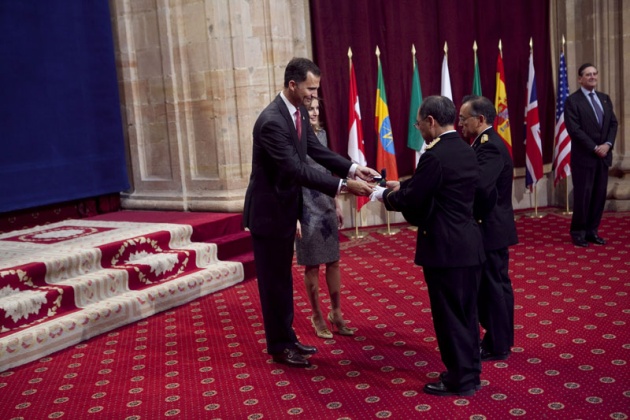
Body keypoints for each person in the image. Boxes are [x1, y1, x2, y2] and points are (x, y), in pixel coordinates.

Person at [243, 57, 378, 368]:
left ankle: (287, 339)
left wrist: (354, 167)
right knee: (274, 283)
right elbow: (295, 169)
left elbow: (315, 151)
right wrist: (345, 186)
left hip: (285, 210)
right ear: (293, 85)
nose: (314, 95)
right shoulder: (272, 122)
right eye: (310, 88)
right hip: (268, 214)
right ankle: (279, 346)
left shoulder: (297, 112)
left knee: (282, 282)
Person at [371, 96, 485, 396]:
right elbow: (440, 188)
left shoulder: (433, 156)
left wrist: (383, 195)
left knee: (449, 318)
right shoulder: (466, 149)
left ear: (431, 121)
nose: (418, 128)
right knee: (467, 315)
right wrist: (404, 186)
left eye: (418, 123)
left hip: (445, 249)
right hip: (469, 244)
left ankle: (459, 380)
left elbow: (414, 200)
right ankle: (470, 373)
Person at [459, 95, 518, 362]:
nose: (460, 124)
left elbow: (481, 186)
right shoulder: (482, 144)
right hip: (489, 226)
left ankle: (499, 343)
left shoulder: (490, 146)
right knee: (490, 287)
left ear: (480, 119)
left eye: (463, 118)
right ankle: (496, 339)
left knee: (494, 287)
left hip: (491, 227)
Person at [295, 96, 354, 340]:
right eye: (311, 109)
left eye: (318, 108)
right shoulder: (295, 140)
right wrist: (294, 215)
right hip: (305, 206)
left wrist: (336, 203)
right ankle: (317, 315)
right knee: (312, 264)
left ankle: (336, 313)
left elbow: (328, 171)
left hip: (325, 202)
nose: (316, 112)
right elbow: (292, 177)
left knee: (333, 261)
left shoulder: (322, 136)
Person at [564, 63, 618, 247]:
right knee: (583, 196)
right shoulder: (572, 101)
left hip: (603, 157)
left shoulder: (604, 98)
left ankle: (592, 231)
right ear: (580, 78)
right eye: (588, 74)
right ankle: (578, 232)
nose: (592, 77)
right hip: (584, 158)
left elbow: (613, 124)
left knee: (599, 196)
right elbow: (575, 130)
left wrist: (608, 145)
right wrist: (595, 147)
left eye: (595, 73)